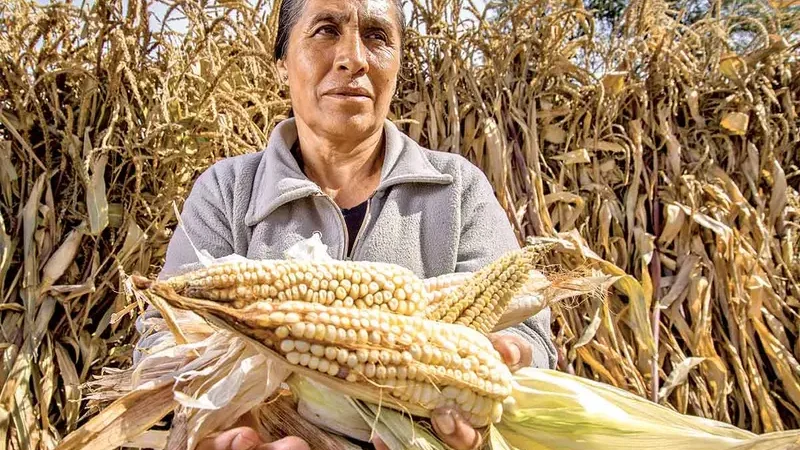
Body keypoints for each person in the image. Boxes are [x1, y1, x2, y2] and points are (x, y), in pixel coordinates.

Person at [136, 0, 557, 448]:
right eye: (325, 31)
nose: (353, 57)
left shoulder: (457, 189)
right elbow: (164, 343)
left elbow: (527, 337)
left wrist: (501, 370)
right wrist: (220, 419)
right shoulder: (226, 190)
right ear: (282, 62)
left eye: (376, 37)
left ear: (396, 65)